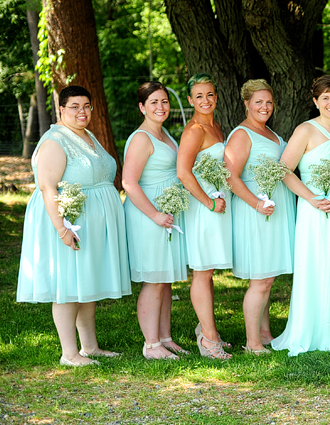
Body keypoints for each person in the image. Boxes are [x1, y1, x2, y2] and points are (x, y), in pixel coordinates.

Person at [17, 85, 130, 366]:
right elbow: (47, 187)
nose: (82, 111)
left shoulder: (86, 135)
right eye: (75, 106)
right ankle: (69, 353)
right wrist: (62, 229)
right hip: (68, 220)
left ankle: (90, 347)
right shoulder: (55, 141)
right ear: (61, 109)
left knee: (86, 282)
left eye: (86, 106)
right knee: (68, 284)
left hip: (88, 222)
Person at [272, 75, 330, 354]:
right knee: (314, 266)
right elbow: (284, 170)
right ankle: (309, 330)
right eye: (325, 98)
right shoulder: (305, 130)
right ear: (315, 101)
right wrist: (312, 198)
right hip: (312, 210)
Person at [224, 80, 297, 354]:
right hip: (256, 213)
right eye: (258, 102)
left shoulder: (271, 134)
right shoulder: (243, 135)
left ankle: (265, 334)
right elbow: (231, 176)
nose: (264, 107)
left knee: (269, 277)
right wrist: (256, 204)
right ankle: (252, 343)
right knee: (261, 279)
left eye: (268, 102)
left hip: (274, 212)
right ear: (246, 103)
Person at [122, 82, 190, 360]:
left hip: (166, 214)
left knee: (165, 279)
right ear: (142, 107)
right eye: (154, 103)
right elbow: (129, 182)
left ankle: (165, 338)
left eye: (164, 101)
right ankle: (151, 345)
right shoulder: (141, 138)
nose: (161, 107)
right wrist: (155, 215)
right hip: (148, 216)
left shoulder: (165, 136)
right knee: (153, 279)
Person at [177, 73, 233, 360]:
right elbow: (183, 172)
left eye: (210, 94)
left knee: (208, 271)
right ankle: (209, 341)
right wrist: (209, 203)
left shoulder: (217, 127)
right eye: (199, 96)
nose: (205, 100)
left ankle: (207, 329)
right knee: (202, 271)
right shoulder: (195, 130)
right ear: (190, 100)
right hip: (204, 207)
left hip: (218, 203)